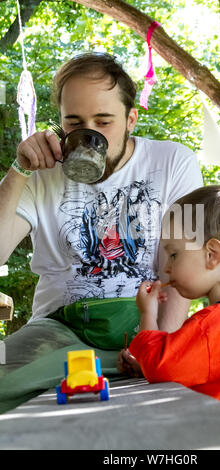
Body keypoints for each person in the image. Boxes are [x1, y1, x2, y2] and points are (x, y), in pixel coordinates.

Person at [0, 52, 203, 412]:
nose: (88, 134)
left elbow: (185, 264)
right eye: (74, 122)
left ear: (131, 119)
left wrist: (157, 348)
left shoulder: (176, 161)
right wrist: (19, 169)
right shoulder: (40, 173)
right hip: (60, 330)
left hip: (149, 324)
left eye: (104, 121)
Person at [119, 186, 220, 422]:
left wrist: (148, 314)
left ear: (212, 255)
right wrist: (142, 366)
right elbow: (198, 374)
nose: (166, 268)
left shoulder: (210, 325)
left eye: (174, 255)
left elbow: (160, 367)